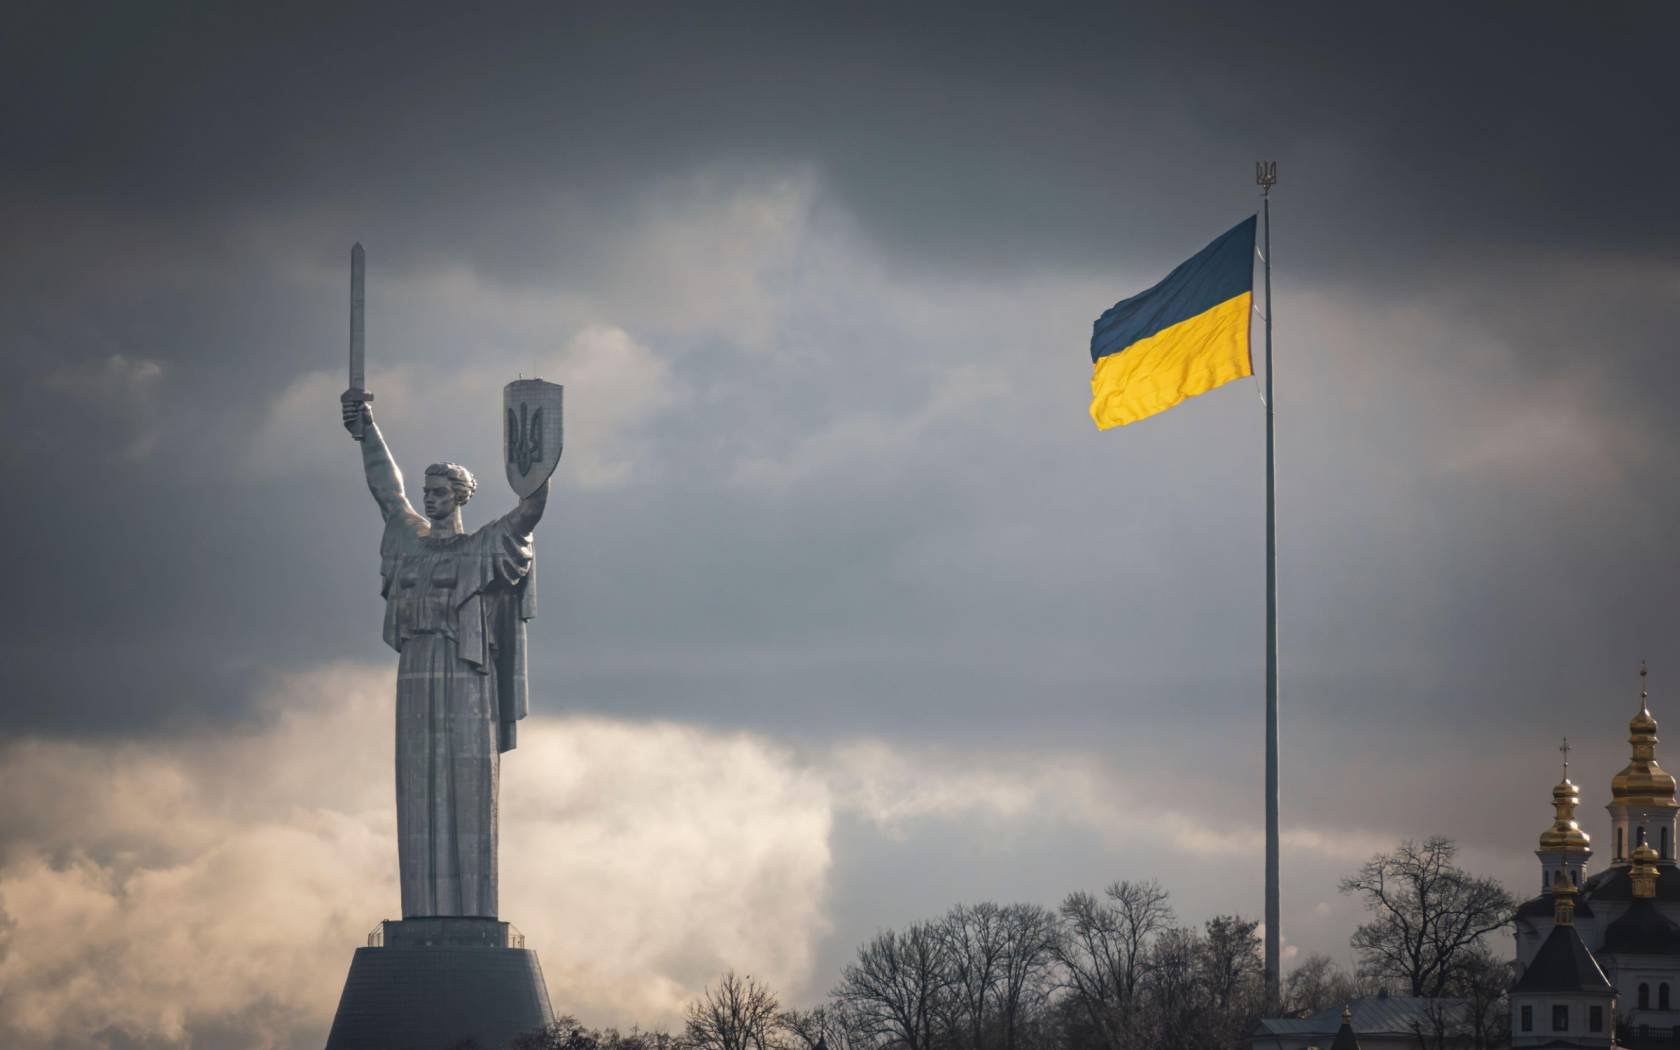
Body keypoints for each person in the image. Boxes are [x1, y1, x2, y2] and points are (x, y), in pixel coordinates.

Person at [342, 392, 548, 919]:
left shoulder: (481, 549)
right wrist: (368, 429)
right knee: (416, 786)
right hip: (416, 674)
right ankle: (422, 914)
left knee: (467, 786)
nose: (429, 499)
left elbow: (528, 514)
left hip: (466, 676)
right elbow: (387, 492)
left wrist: (537, 467)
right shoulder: (408, 541)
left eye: (439, 492)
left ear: (458, 497)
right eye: (427, 491)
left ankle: (474, 914)